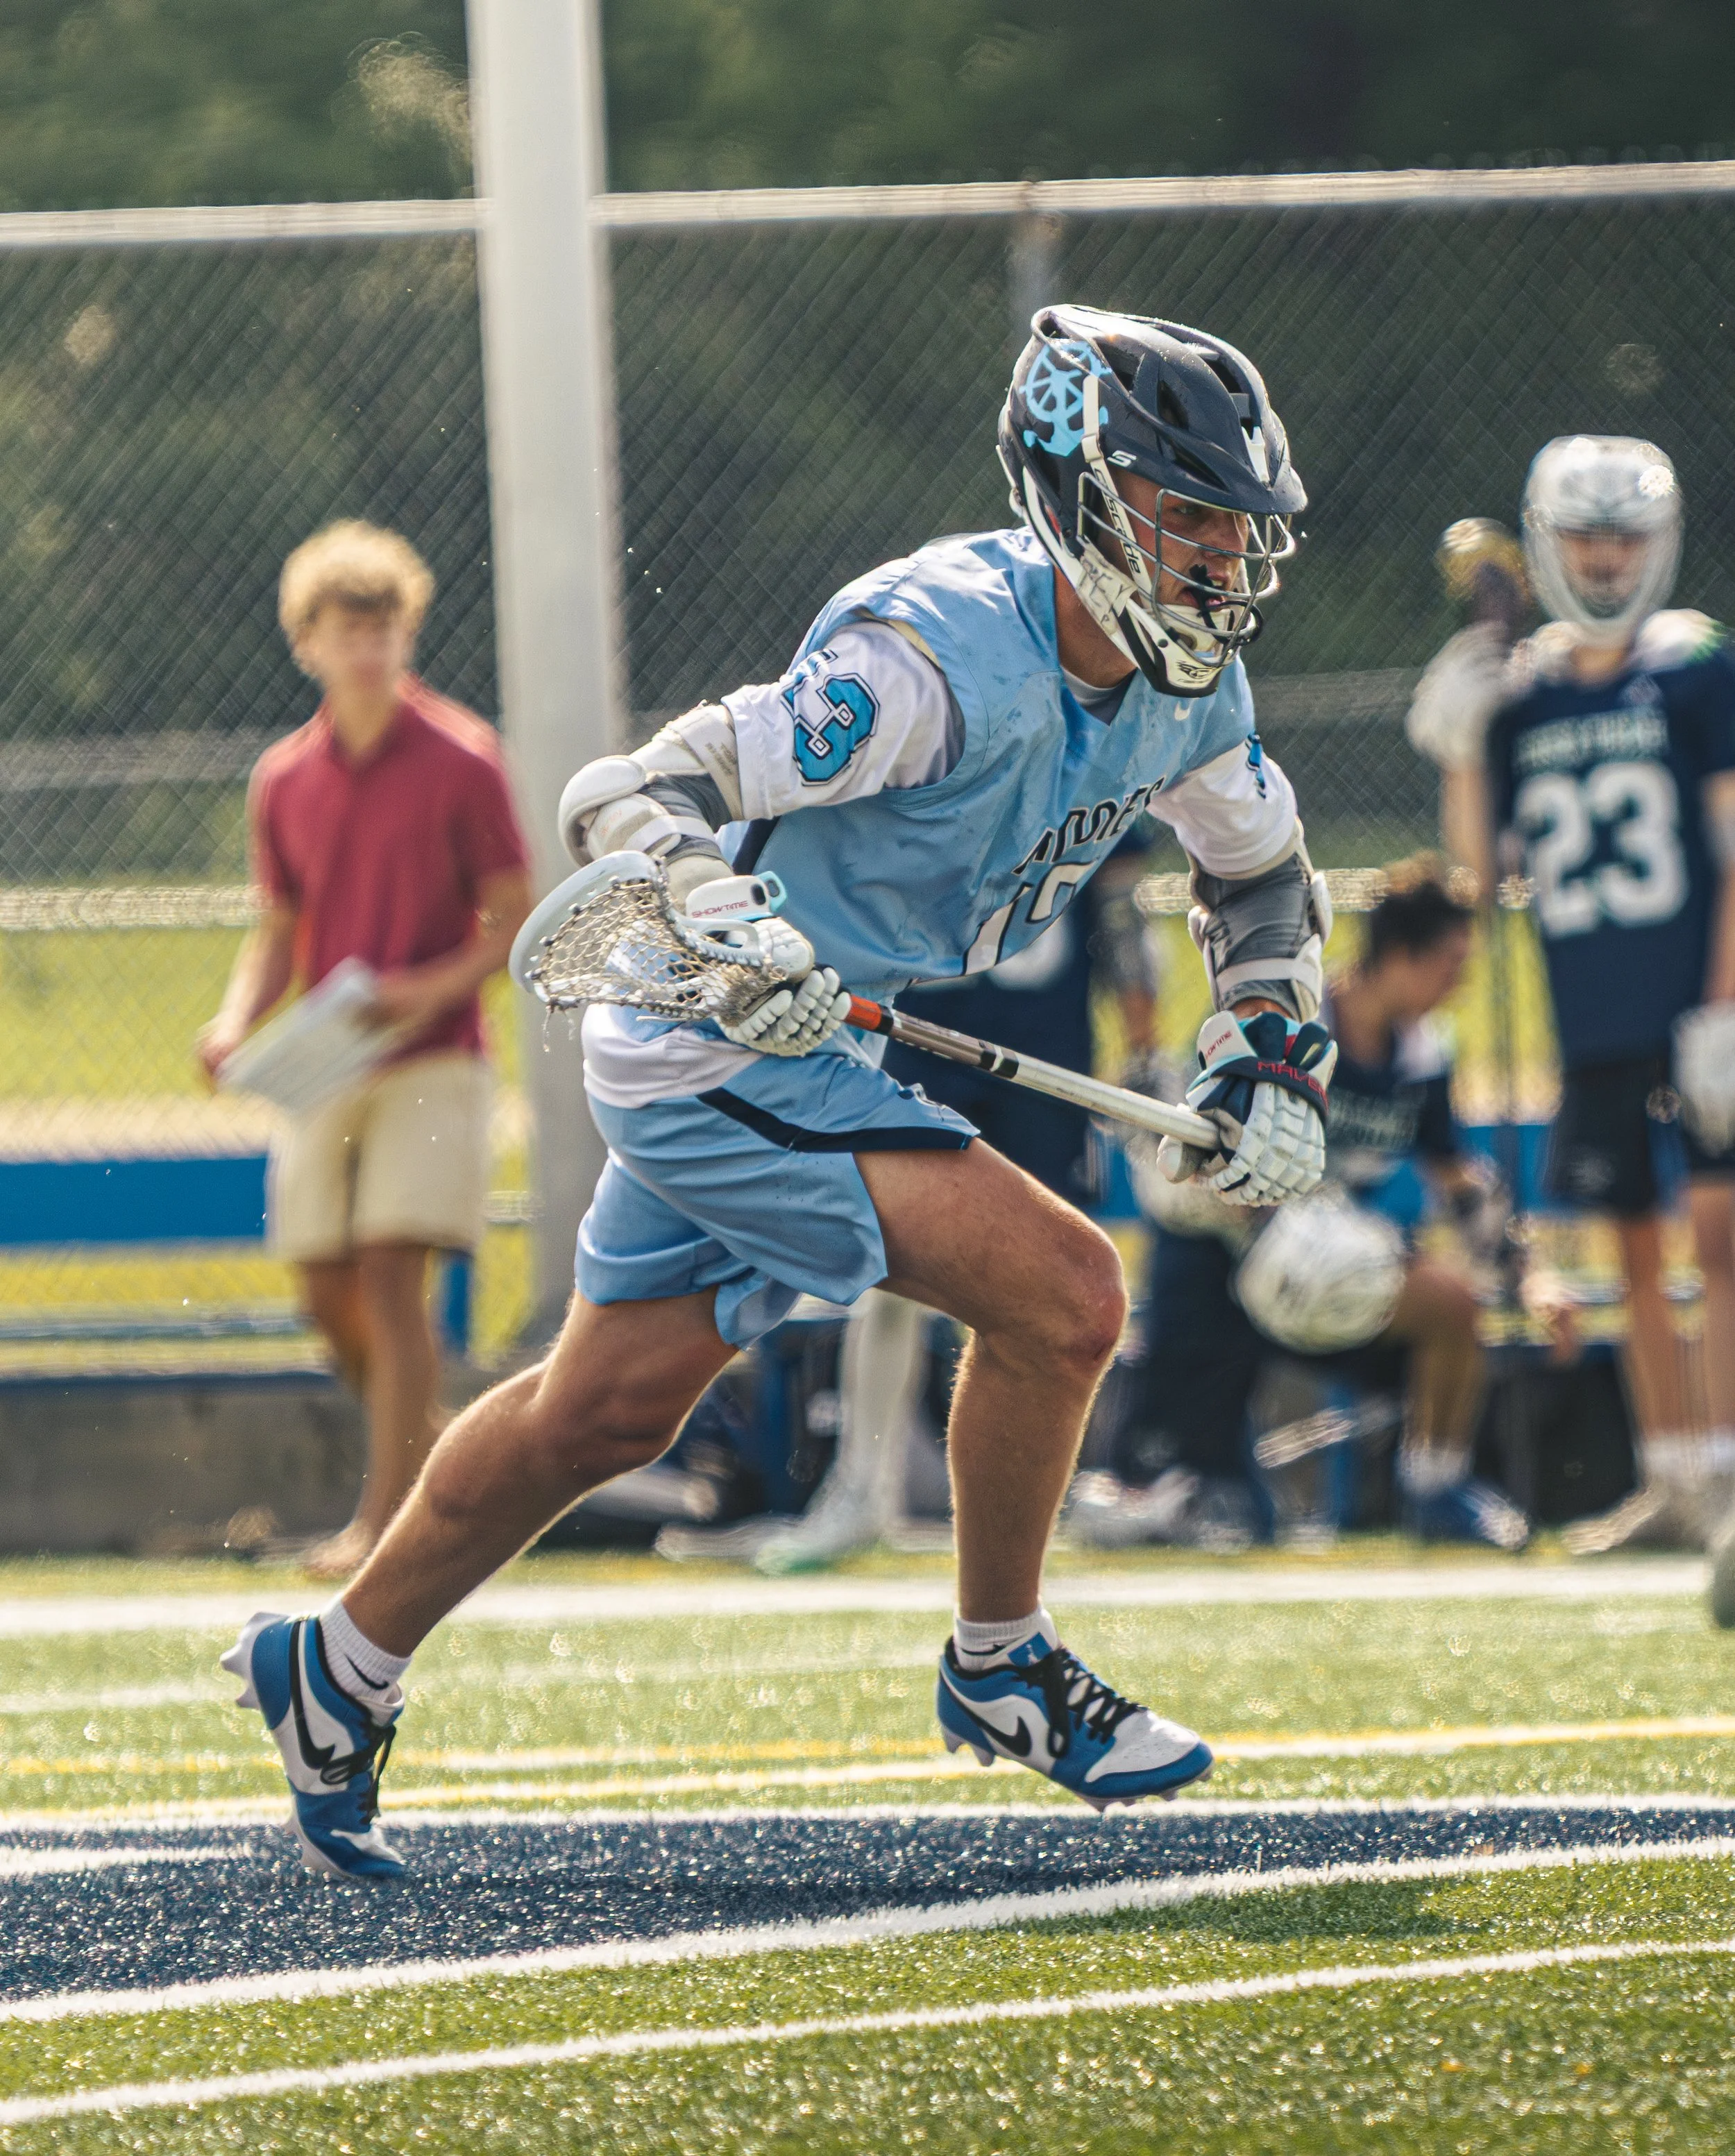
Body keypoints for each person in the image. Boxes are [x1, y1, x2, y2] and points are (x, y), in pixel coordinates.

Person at [223, 305, 1339, 1877]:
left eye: (1235, 522)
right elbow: (636, 791)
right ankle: (1001, 1660)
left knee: (602, 1406)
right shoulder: (935, 655)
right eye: (1188, 511)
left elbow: (1259, 868)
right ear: (1077, 486)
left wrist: (1271, 1037)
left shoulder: (1186, 689)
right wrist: (732, 924)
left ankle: (332, 1663)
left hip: (839, 1039)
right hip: (721, 1029)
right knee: (1069, 1294)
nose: (1221, 554)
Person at [1410, 436, 1735, 1554]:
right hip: (1594, 1007)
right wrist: (1460, 744)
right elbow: (1475, 873)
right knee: (1636, 1248)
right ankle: (1678, 1476)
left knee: (1721, 1235)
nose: (1604, 560)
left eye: (1624, 538)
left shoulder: (1695, 661)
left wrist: (1727, 1005)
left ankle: (1730, 1470)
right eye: (1586, 538)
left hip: (1698, 1005)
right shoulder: (1526, 689)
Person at [689, 826, 1165, 1577]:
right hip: (924, 1034)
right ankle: (859, 1488)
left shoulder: (1088, 746)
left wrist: (1145, 1045)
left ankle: (1052, 1487)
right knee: (893, 1272)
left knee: (1050, 1286)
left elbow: (1117, 903)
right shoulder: (935, 735)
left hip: (1044, 1053)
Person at [199, 521, 532, 1581]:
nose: (370, 648)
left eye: (384, 626)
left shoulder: (465, 758)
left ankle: (384, 1523)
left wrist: (418, 992)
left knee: (393, 1277)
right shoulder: (282, 778)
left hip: (437, 1053)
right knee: (322, 1285)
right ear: (307, 640)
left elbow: (515, 919)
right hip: (326, 1063)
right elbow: (279, 929)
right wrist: (232, 1019)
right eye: (348, 629)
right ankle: (428, 1450)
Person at [1078, 863, 1528, 1550]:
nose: (1459, 984)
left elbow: (1456, 1177)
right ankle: (1163, 1478)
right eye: (1450, 963)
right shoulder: (1287, 1024)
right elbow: (1198, 1150)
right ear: (1402, 954)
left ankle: (1436, 1485)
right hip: (1224, 1260)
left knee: (1453, 1306)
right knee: (1211, 1509)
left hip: (1339, 1260)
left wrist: (1525, 1277)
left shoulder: (1422, 1051)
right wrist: (1254, 1213)